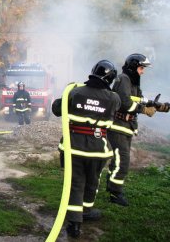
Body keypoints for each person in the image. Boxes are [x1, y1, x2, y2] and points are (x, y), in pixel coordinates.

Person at [51, 60, 121, 238]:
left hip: (74, 147)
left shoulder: (75, 91)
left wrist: (66, 93)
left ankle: (74, 223)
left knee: (75, 184)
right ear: (111, 78)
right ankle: (86, 212)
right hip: (98, 149)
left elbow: (56, 109)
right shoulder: (113, 98)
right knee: (93, 181)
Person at [106, 53, 158, 206]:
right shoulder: (124, 79)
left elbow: (140, 100)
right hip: (117, 127)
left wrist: (158, 106)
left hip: (126, 127)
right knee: (123, 161)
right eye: (141, 68)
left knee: (118, 160)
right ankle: (115, 194)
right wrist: (143, 110)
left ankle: (112, 187)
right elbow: (125, 103)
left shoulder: (134, 83)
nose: (143, 71)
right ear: (134, 67)